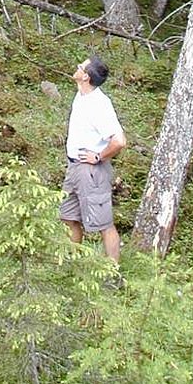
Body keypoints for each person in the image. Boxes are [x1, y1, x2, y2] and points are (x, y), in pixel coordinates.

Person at [59, 55, 125, 262]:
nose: (76, 68)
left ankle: (112, 274)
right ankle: (73, 265)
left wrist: (98, 157)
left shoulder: (99, 105)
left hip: (91, 171)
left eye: (80, 67)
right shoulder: (81, 95)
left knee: (103, 224)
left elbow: (119, 141)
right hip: (75, 167)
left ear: (86, 77)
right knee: (69, 217)